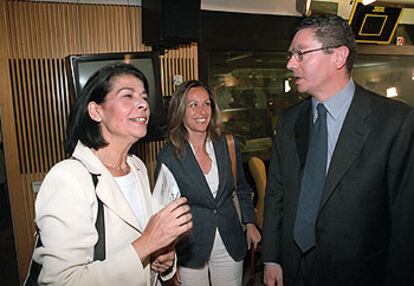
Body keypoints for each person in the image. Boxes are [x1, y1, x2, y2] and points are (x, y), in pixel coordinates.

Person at [262, 14, 414, 286]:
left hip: (359, 272)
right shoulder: (289, 121)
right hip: (294, 267)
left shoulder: (394, 122)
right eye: (290, 55)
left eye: (300, 54)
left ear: (338, 56)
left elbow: (405, 220)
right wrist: (271, 257)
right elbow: (277, 193)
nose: (290, 63)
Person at [32, 63, 192, 285]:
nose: (143, 104)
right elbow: (62, 281)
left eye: (144, 97)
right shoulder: (68, 178)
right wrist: (149, 243)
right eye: (128, 96)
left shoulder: (137, 168)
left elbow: (142, 251)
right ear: (96, 111)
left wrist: (161, 258)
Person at [154, 80, 261, 286]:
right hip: (190, 246)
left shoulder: (228, 144)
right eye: (193, 105)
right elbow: (163, 209)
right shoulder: (168, 156)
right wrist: (168, 253)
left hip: (229, 238)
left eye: (206, 104)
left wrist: (250, 222)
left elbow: (241, 187)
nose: (201, 111)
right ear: (180, 110)